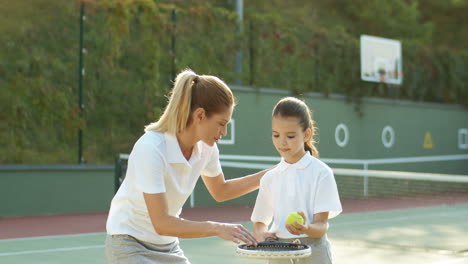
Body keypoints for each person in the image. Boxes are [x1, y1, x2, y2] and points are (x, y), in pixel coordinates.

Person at [106, 69, 270, 264]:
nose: (224, 132)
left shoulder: (207, 149)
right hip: (129, 244)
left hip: (167, 245)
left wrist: (271, 175)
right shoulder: (151, 149)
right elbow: (162, 223)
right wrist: (216, 227)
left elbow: (221, 191)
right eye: (221, 123)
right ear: (200, 115)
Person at [251, 97, 342, 264]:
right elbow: (259, 222)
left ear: (306, 134)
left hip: (314, 253)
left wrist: (306, 228)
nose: (282, 142)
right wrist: (262, 235)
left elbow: (322, 226)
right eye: (276, 135)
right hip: (279, 255)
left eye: (290, 136)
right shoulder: (270, 178)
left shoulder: (322, 173)